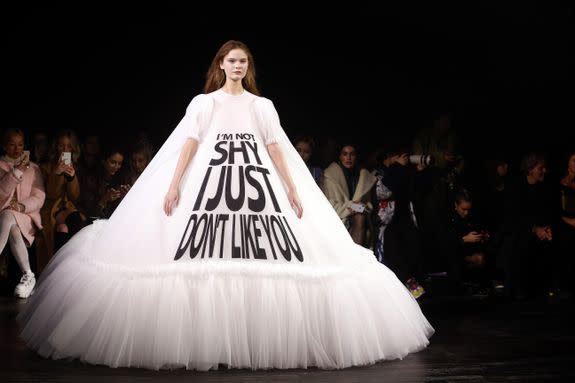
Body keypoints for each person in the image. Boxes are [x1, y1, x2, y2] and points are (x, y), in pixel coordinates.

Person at [18, 40, 433, 371]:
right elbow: (189, 144)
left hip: (255, 186)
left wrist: (292, 189)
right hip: (211, 183)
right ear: (220, 65)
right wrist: (175, 184)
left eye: (243, 62)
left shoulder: (262, 106)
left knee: (264, 250)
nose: (237, 67)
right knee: (202, 249)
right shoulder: (205, 103)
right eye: (231, 61)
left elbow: (275, 149)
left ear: (247, 67)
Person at [0, 128, 45, 298]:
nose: (17, 149)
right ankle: (28, 275)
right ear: (5, 146)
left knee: (8, 216)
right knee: (11, 227)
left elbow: (39, 196)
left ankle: (28, 275)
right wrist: (16, 171)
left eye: (20, 144)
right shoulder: (1, 165)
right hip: (3, 216)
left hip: (26, 216)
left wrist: (20, 206)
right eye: (12, 144)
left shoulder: (33, 168)